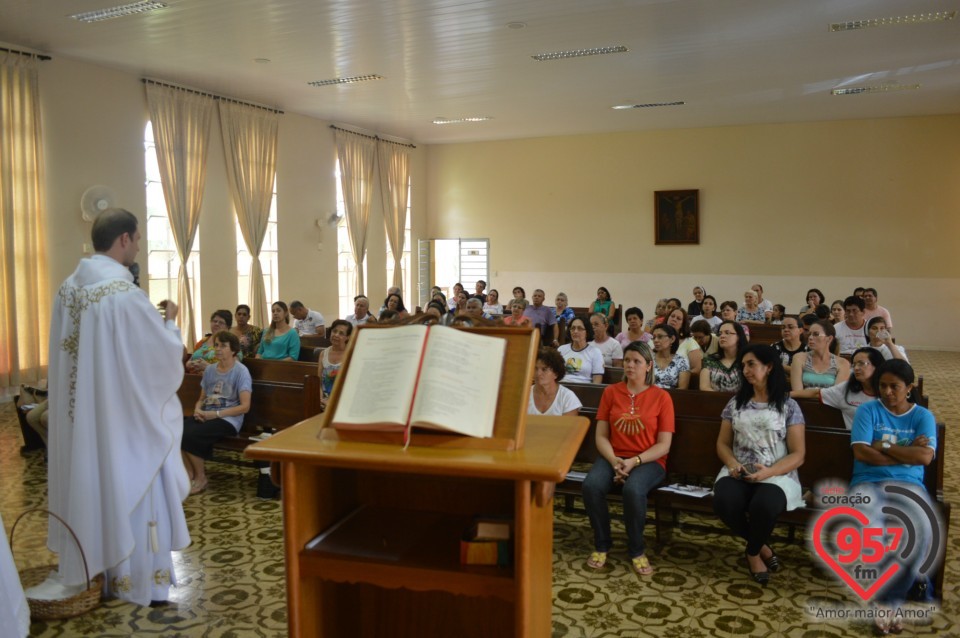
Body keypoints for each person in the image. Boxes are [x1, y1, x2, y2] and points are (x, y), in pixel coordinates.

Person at [47, 208, 190, 606]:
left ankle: (100, 574)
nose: (139, 246)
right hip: (123, 424)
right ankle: (139, 583)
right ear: (124, 239)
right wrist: (172, 326)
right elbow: (160, 357)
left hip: (81, 422)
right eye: (139, 238)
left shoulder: (68, 289)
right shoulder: (123, 295)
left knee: (91, 486)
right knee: (137, 491)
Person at [849, 360, 936, 634]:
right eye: (883, 386)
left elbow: (924, 457)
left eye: (894, 386)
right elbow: (861, 452)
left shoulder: (922, 416)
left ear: (909, 388)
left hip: (908, 487)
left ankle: (891, 600)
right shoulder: (867, 410)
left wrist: (884, 445)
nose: (887, 392)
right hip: (868, 483)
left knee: (919, 532)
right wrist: (906, 450)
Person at [713, 344, 806, 586]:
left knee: (764, 505)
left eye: (751, 364)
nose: (745, 370)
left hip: (777, 473)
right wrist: (733, 464)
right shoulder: (736, 403)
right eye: (743, 365)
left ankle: (752, 553)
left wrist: (770, 472)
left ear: (769, 366)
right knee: (724, 501)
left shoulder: (788, 405)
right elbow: (722, 444)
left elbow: (798, 453)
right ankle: (762, 545)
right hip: (738, 470)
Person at [582, 342, 674, 575]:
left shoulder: (661, 397)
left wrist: (635, 462)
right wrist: (614, 461)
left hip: (650, 461)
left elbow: (664, 445)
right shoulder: (611, 392)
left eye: (637, 361)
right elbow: (601, 436)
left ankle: (636, 549)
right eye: (627, 360)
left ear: (649, 366)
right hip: (614, 456)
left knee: (633, 490)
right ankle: (602, 544)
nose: (630, 365)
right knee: (591, 486)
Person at [181, 331, 252, 495]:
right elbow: (202, 398)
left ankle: (201, 477)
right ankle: (189, 474)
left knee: (191, 434)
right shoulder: (210, 370)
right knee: (176, 430)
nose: (218, 349)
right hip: (207, 414)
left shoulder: (241, 372)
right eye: (217, 345)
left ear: (233, 350)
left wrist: (216, 414)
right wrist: (198, 409)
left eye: (223, 346)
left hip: (228, 419)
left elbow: (245, 406)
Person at [793, 347, 883, 429]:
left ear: (877, 365)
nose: (856, 368)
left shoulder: (887, 390)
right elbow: (816, 393)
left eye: (861, 364)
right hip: (855, 442)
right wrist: (785, 394)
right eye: (854, 364)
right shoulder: (846, 389)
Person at [790, 320, 850, 391]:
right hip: (802, 401)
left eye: (816, 334)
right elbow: (797, 392)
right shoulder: (799, 358)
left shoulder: (843, 363)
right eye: (809, 334)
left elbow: (836, 395)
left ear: (829, 338)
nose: (810, 337)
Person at [528, 347, 582, 416]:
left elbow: (569, 426)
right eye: (535, 368)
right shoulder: (524, 394)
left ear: (556, 373)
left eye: (544, 369)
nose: (538, 373)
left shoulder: (568, 397)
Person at [700, 320, 747, 393]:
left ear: (739, 336)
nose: (722, 336)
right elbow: (704, 387)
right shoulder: (709, 360)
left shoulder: (746, 360)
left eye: (727, 333)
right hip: (714, 402)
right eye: (720, 334)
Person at [557, 317, 604, 383]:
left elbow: (597, 379)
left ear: (587, 332)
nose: (575, 331)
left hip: (584, 390)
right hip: (562, 388)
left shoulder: (595, 352)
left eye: (579, 328)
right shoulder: (561, 349)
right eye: (573, 328)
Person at [186, 309, 234, 374]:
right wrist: (189, 364)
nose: (217, 324)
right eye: (214, 321)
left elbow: (232, 370)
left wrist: (208, 367)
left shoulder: (232, 344)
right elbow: (190, 360)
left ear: (228, 327)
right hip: (194, 379)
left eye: (221, 322)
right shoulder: (202, 341)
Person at [317, 319, 353, 404]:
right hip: (324, 401)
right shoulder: (323, 354)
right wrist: (320, 399)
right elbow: (319, 382)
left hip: (344, 401)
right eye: (334, 331)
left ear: (347, 337)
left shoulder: (352, 354)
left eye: (341, 333)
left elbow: (352, 385)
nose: (336, 335)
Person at [665, 307, 703, 375]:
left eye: (678, 318)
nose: (674, 319)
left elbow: (696, 369)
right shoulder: (656, 338)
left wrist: (677, 376)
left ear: (683, 324)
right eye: (672, 316)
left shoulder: (690, 342)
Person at [651, 324, 691, 389]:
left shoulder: (681, 361)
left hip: (672, 397)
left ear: (672, 339)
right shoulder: (647, 359)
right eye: (654, 337)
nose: (655, 340)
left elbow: (682, 389)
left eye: (660, 337)